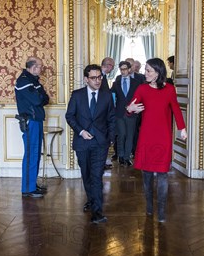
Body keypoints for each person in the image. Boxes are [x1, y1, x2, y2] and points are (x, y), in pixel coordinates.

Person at [126, 58, 187, 223]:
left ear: (158, 73)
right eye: (145, 70)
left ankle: (161, 211)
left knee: (162, 175)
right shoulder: (142, 89)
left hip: (163, 137)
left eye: (149, 71)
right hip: (146, 136)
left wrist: (182, 128)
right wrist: (129, 109)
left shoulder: (169, 89)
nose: (145, 74)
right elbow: (130, 108)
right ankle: (149, 207)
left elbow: (176, 108)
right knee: (146, 175)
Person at [66, 64, 116, 224]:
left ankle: (97, 211)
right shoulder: (77, 95)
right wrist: (81, 131)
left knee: (96, 176)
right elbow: (70, 116)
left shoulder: (107, 96)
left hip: (101, 143)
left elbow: (111, 119)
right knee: (86, 174)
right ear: (86, 79)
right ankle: (91, 199)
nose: (97, 81)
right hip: (82, 142)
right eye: (93, 78)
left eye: (99, 77)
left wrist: (110, 139)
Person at [15, 56, 50, 198]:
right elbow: (37, 99)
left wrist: (40, 97)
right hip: (30, 121)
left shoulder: (33, 81)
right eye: (40, 66)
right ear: (33, 67)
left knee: (35, 154)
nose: (42, 68)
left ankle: (32, 185)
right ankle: (27, 189)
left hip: (37, 120)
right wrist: (40, 96)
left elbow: (46, 99)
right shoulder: (23, 80)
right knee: (31, 154)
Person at [111, 61, 140, 166]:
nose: (123, 71)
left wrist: (137, 108)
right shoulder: (116, 83)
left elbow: (139, 97)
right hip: (119, 113)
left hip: (132, 113)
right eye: (121, 69)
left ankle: (127, 157)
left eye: (124, 69)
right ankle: (121, 156)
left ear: (129, 69)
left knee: (130, 135)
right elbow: (112, 97)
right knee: (121, 135)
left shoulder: (136, 83)